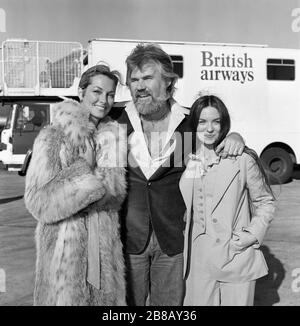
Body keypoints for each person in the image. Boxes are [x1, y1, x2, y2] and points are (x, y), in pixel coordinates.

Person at [116, 43, 245, 306]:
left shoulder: (189, 123)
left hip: (174, 242)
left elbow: (218, 141)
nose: (139, 86)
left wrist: (236, 136)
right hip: (128, 241)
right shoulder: (115, 121)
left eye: (148, 78)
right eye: (134, 80)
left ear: (168, 83)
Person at [24, 64, 127, 306]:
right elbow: (38, 202)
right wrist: (83, 171)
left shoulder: (113, 140)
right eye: (97, 92)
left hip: (104, 254)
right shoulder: (53, 136)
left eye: (110, 95)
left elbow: (116, 197)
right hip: (64, 261)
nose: (104, 100)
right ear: (81, 92)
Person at [180, 95, 275, 306]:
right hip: (197, 261)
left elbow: (265, 202)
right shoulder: (189, 159)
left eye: (216, 121)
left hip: (234, 254)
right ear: (194, 125)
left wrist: (251, 235)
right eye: (202, 122)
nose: (209, 128)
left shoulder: (242, 159)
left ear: (224, 124)